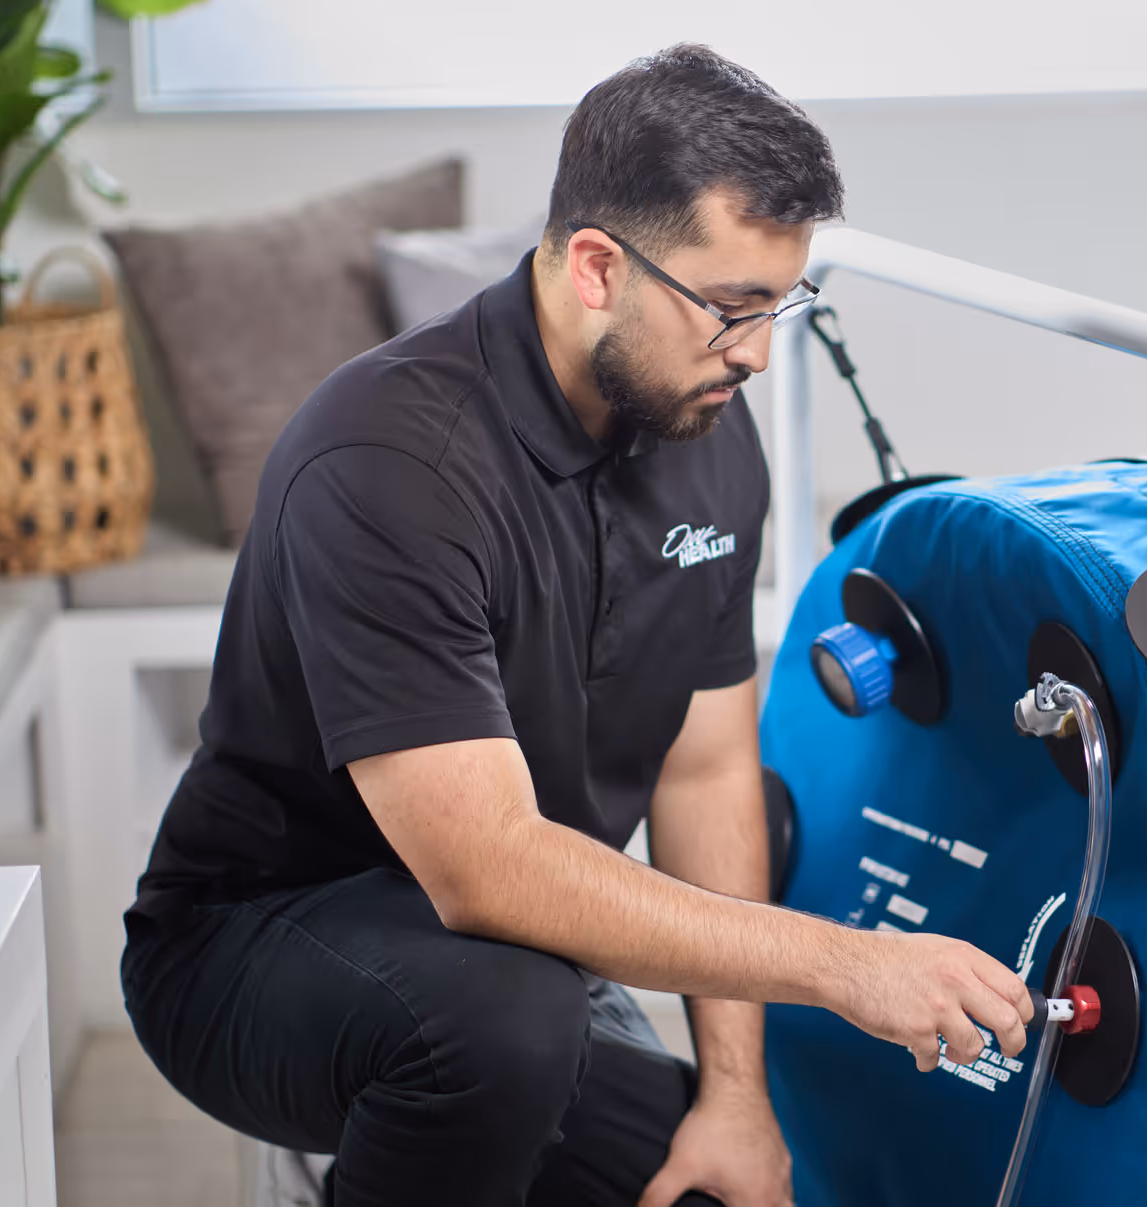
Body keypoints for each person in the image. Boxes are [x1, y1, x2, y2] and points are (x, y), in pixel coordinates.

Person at [119, 44, 1031, 1207]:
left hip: (521, 964)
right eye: (729, 309)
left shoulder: (706, 434)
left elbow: (703, 776)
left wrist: (735, 1096)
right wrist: (846, 966)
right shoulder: (387, 460)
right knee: (500, 1032)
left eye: (780, 307)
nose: (754, 352)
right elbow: (485, 870)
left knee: (693, 1180)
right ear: (596, 267)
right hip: (257, 942)